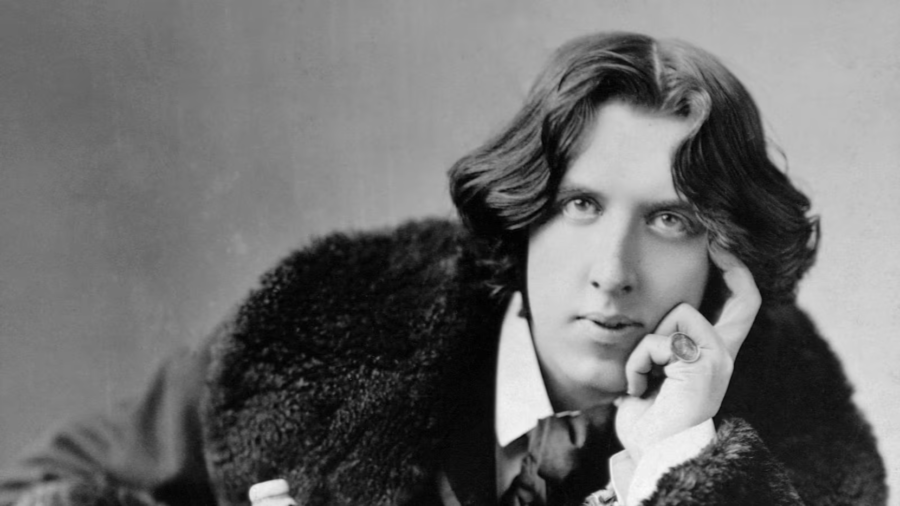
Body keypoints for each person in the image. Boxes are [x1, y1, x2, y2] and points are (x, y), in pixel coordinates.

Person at [0, 31, 886, 506]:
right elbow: (34, 491)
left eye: (670, 220)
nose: (612, 271)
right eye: (581, 205)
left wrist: (677, 460)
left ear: (726, 256)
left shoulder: (804, 448)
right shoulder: (325, 329)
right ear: (523, 211)